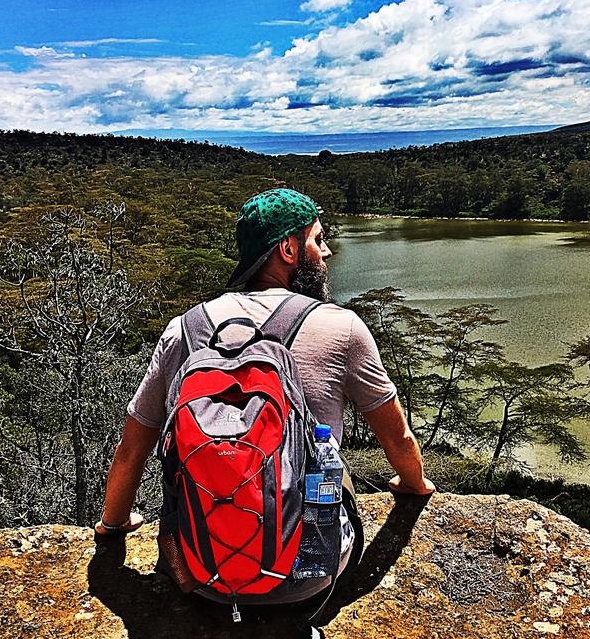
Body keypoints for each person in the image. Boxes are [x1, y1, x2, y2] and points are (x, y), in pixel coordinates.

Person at [96, 187, 434, 539]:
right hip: (311, 571)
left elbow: (132, 449)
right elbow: (396, 436)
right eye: (318, 240)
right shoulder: (342, 327)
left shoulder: (183, 329)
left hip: (199, 568)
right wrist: (415, 483)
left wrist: (113, 522)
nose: (327, 252)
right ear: (288, 248)